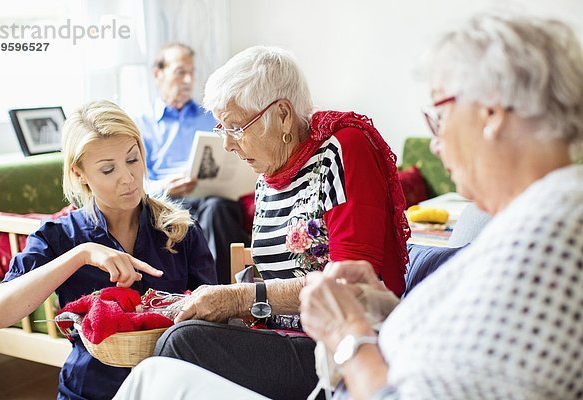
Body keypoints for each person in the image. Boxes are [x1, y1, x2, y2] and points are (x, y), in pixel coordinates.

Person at [114, 12, 582, 400]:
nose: (435, 143)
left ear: (492, 114)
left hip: (337, 361)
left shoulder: (550, 234)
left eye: (439, 115)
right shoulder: (524, 223)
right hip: (336, 355)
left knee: (168, 362)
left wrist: (347, 332)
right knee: (163, 364)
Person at [150, 45, 410, 400]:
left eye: (236, 127)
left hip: (336, 346)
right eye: (222, 128)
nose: (226, 144)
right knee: (178, 332)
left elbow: (349, 283)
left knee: (182, 344)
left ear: (284, 115)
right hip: (283, 335)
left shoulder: (342, 149)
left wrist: (240, 298)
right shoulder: (269, 172)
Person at [0, 100, 217, 400]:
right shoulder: (59, 236)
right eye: (108, 169)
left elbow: (211, 321)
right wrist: (81, 254)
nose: (128, 177)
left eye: (133, 160)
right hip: (89, 390)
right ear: (79, 173)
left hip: (171, 387)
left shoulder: (180, 230)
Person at [137, 43, 250, 284]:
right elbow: (137, 181)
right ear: (158, 74)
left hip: (211, 198)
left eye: (191, 72)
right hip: (168, 200)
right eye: (180, 72)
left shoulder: (209, 115)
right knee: (170, 216)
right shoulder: (142, 124)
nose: (188, 79)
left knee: (218, 210)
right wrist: (165, 186)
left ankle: (225, 293)